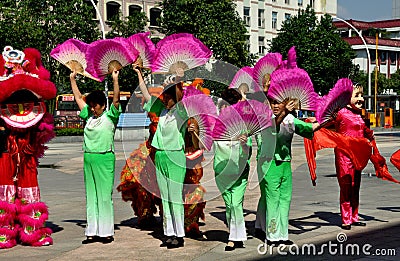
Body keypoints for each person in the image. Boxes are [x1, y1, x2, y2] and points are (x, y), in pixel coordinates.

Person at [133, 65, 197, 249]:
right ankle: (169, 232)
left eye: (168, 97)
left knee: (175, 196)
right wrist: (139, 74)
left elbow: (179, 96)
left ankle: (179, 234)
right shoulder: (161, 109)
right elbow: (145, 95)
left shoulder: (181, 112)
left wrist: (178, 79)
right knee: (166, 196)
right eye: (165, 97)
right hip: (159, 155)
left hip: (175, 155)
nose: (166, 100)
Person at [70, 69, 122, 244]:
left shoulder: (110, 116)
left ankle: (106, 232)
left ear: (102, 105)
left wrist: (115, 80)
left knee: (104, 196)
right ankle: (92, 231)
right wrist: (72, 79)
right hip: (89, 158)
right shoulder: (89, 117)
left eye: (95, 106)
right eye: (91, 105)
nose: (92, 108)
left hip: (105, 158)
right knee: (91, 196)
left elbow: (115, 99)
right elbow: (78, 98)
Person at [257, 97, 319, 246]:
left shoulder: (291, 119)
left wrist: (327, 117)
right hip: (268, 163)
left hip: (285, 163)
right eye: (273, 102)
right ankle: (272, 235)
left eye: (279, 102)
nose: (275, 106)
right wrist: (284, 113)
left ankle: (281, 234)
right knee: (272, 199)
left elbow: (309, 129)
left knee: (285, 199)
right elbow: (273, 127)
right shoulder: (264, 116)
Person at [330, 84, 374, 230]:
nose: (361, 99)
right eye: (357, 95)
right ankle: (346, 218)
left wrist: (370, 136)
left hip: (358, 156)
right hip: (344, 155)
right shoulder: (340, 113)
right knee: (346, 185)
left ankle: (354, 216)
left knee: (356, 186)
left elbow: (365, 130)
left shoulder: (360, 114)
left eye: (362, 95)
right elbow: (325, 125)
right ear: (347, 99)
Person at [213, 88, 252, 251]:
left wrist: (243, 143)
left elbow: (247, 153)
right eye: (226, 106)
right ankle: (236, 235)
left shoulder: (243, 127)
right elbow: (204, 144)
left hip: (239, 171)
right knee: (229, 204)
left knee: (235, 203)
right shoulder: (216, 124)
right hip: (221, 170)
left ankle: (234, 238)